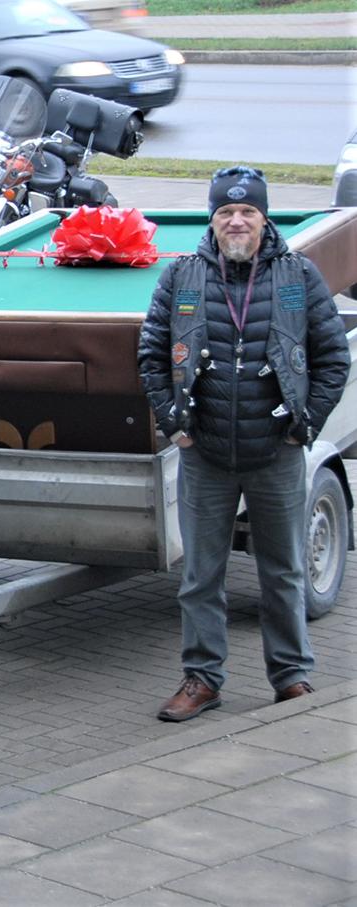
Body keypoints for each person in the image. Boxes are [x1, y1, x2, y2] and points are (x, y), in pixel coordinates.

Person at [138, 166, 350, 722]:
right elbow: (152, 357)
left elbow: (333, 360)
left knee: (283, 571)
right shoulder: (180, 277)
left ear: (263, 218)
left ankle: (291, 676)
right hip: (203, 452)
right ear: (213, 218)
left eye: (247, 212)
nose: (237, 220)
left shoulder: (297, 276)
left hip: (276, 453)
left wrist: (305, 427)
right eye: (226, 212)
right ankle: (202, 679)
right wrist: (172, 424)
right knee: (200, 576)